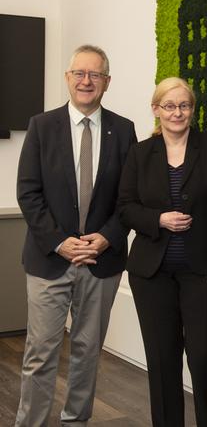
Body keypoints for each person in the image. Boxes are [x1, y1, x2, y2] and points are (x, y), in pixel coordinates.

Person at [15, 44, 137, 426]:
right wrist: (59, 241)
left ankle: (75, 421)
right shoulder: (42, 126)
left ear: (107, 82)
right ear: (68, 78)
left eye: (95, 75)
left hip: (101, 261)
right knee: (40, 353)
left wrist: (106, 237)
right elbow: (28, 192)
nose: (87, 81)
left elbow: (129, 198)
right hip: (49, 259)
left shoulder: (124, 129)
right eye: (80, 74)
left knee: (87, 351)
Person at [117, 77, 207, 426]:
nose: (177, 112)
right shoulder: (140, 152)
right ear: (156, 109)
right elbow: (125, 207)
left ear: (192, 109)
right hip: (152, 273)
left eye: (184, 105)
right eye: (169, 105)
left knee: (204, 356)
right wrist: (158, 219)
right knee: (162, 361)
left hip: (201, 271)